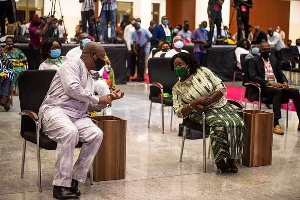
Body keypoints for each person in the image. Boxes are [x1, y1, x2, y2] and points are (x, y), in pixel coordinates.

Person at [39, 41, 124, 199]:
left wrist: (105, 101)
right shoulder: (71, 64)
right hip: (55, 110)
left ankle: (74, 180)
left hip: (77, 115)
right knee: (69, 132)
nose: (104, 60)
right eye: (102, 56)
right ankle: (60, 186)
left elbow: (88, 106)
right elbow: (72, 89)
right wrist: (98, 99)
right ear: (93, 55)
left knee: (96, 134)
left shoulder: (90, 76)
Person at [171, 52, 245, 173]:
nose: (177, 68)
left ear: (188, 64)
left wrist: (205, 103)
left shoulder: (203, 71)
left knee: (238, 123)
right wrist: (195, 102)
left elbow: (221, 87)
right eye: (175, 66)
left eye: (180, 64)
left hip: (219, 104)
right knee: (220, 125)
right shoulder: (176, 88)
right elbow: (179, 112)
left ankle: (232, 159)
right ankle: (220, 161)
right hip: (198, 113)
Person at [248, 42, 300, 135]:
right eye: (264, 49)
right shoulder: (253, 60)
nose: (267, 51)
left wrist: (284, 82)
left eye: (268, 49)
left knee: (295, 91)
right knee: (277, 92)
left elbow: (281, 74)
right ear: (260, 50)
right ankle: (275, 124)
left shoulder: (274, 60)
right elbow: (253, 76)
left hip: (277, 86)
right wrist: (269, 83)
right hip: (263, 87)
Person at [0, 46, 14, 111]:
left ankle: (5, 97)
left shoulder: (5, 55)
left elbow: (11, 66)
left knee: (8, 77)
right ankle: (3, 98)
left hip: (5, 74)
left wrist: (4, 56)